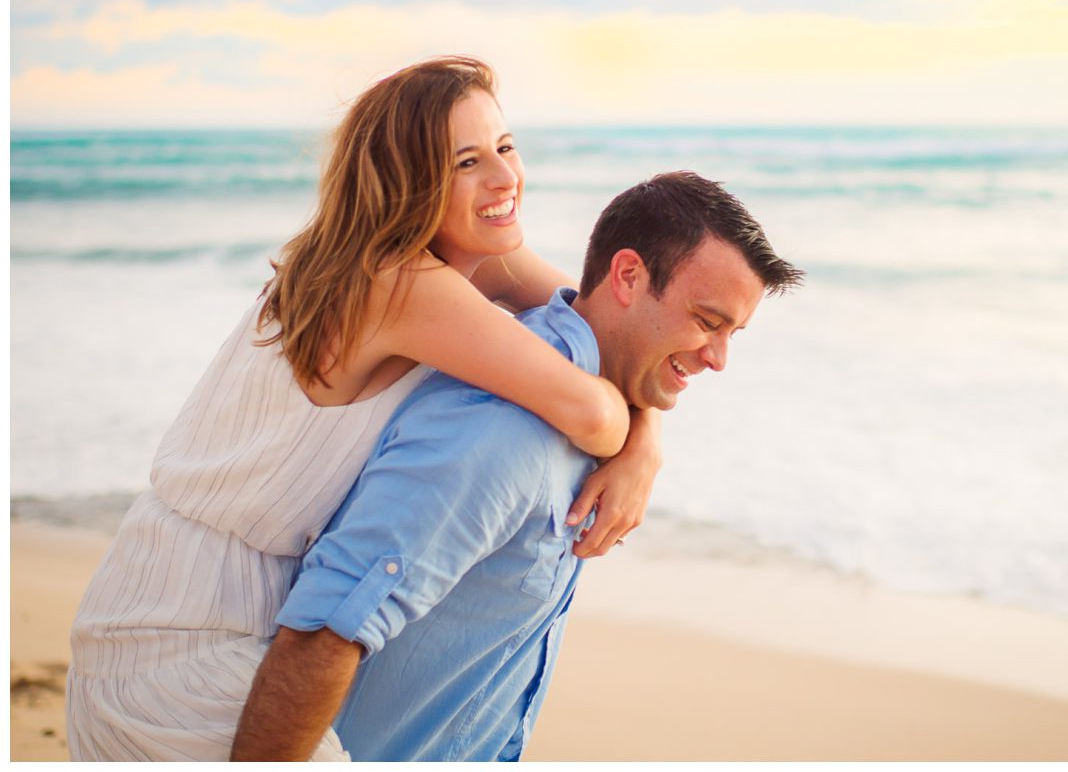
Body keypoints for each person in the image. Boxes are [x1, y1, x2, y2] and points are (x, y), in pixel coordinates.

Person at [66, 56, 665, 761]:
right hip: (182, 634)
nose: (505, 179)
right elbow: (594, 411)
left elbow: (608, 342)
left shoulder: (447, 256)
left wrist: (648, 442)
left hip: (184, 594)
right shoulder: (402, 282)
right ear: (410, 182)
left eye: (505, 146)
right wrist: (633, 440)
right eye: (465, 162)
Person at [229, 171, 802, 761]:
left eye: (733, 332)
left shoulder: (600, 395)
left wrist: (644, 436)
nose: (719, 358)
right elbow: (322, 634)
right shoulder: (502, 434)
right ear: (628, 276)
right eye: (708, 322)